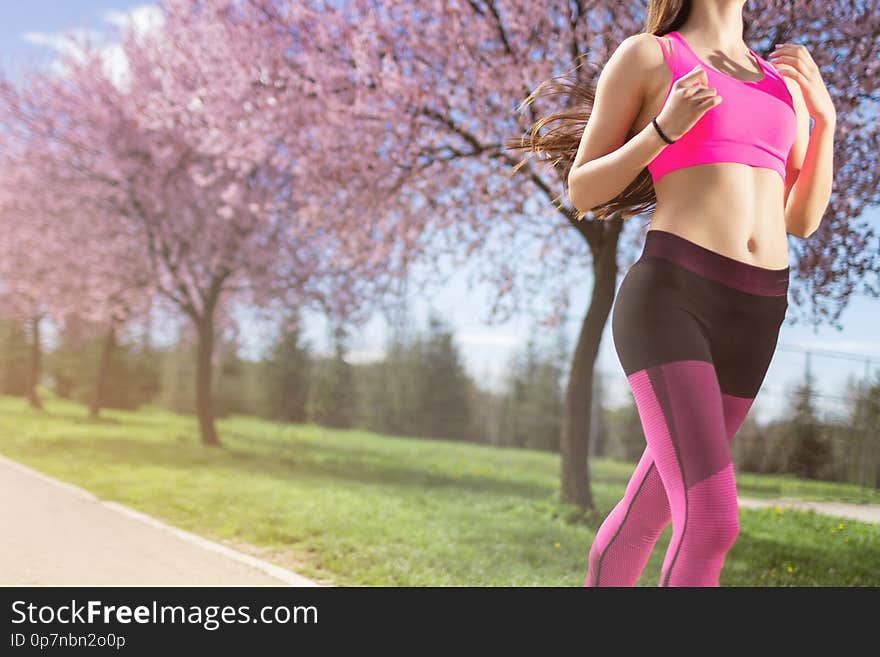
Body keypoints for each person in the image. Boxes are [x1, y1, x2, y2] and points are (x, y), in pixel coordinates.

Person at [566, 1, 837, 586]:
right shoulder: (648, 55)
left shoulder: (779, 82)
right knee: (712, 520)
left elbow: (802, 219)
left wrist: (824, 121)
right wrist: (663, 131)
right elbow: (582, 190)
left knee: (649, 511)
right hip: (672, 296)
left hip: (759, 308)